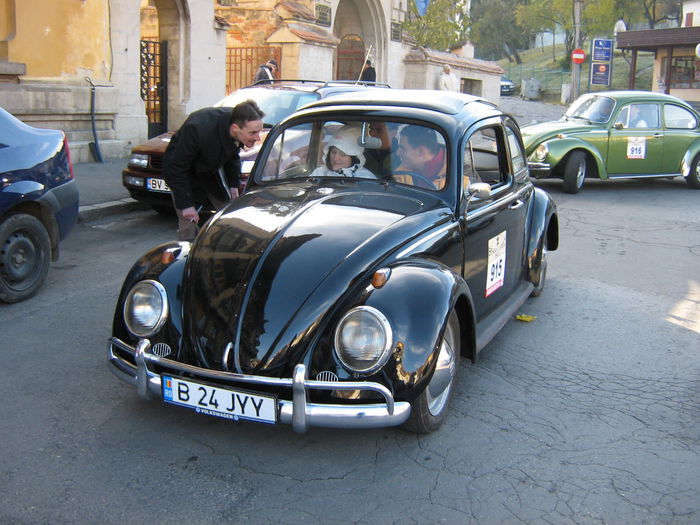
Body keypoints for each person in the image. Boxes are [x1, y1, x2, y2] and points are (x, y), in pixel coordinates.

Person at [163, 100, 265, 241]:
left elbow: (232, 156)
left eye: (259, 131)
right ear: (235, 128)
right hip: (183, 174)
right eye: (253, 133)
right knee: (188, 220)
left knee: (229, 211)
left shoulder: (238, 121)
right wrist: (186, 205)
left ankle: (226, 247)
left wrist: (233, 185)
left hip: (210, 171)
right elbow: (176, 168)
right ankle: (187, 254)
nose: (257, 138)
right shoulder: (198, 128)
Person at [310, 126, 376, 179]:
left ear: (354, 157)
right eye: (333, 152)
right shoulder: (319, 173)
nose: (336, 158)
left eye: (343, 154)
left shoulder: (366, 178)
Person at [394, 125, 446, 189]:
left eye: (403, 148)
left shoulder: (457, 177)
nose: (397, 153)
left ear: (421, 152)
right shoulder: (400, 174)